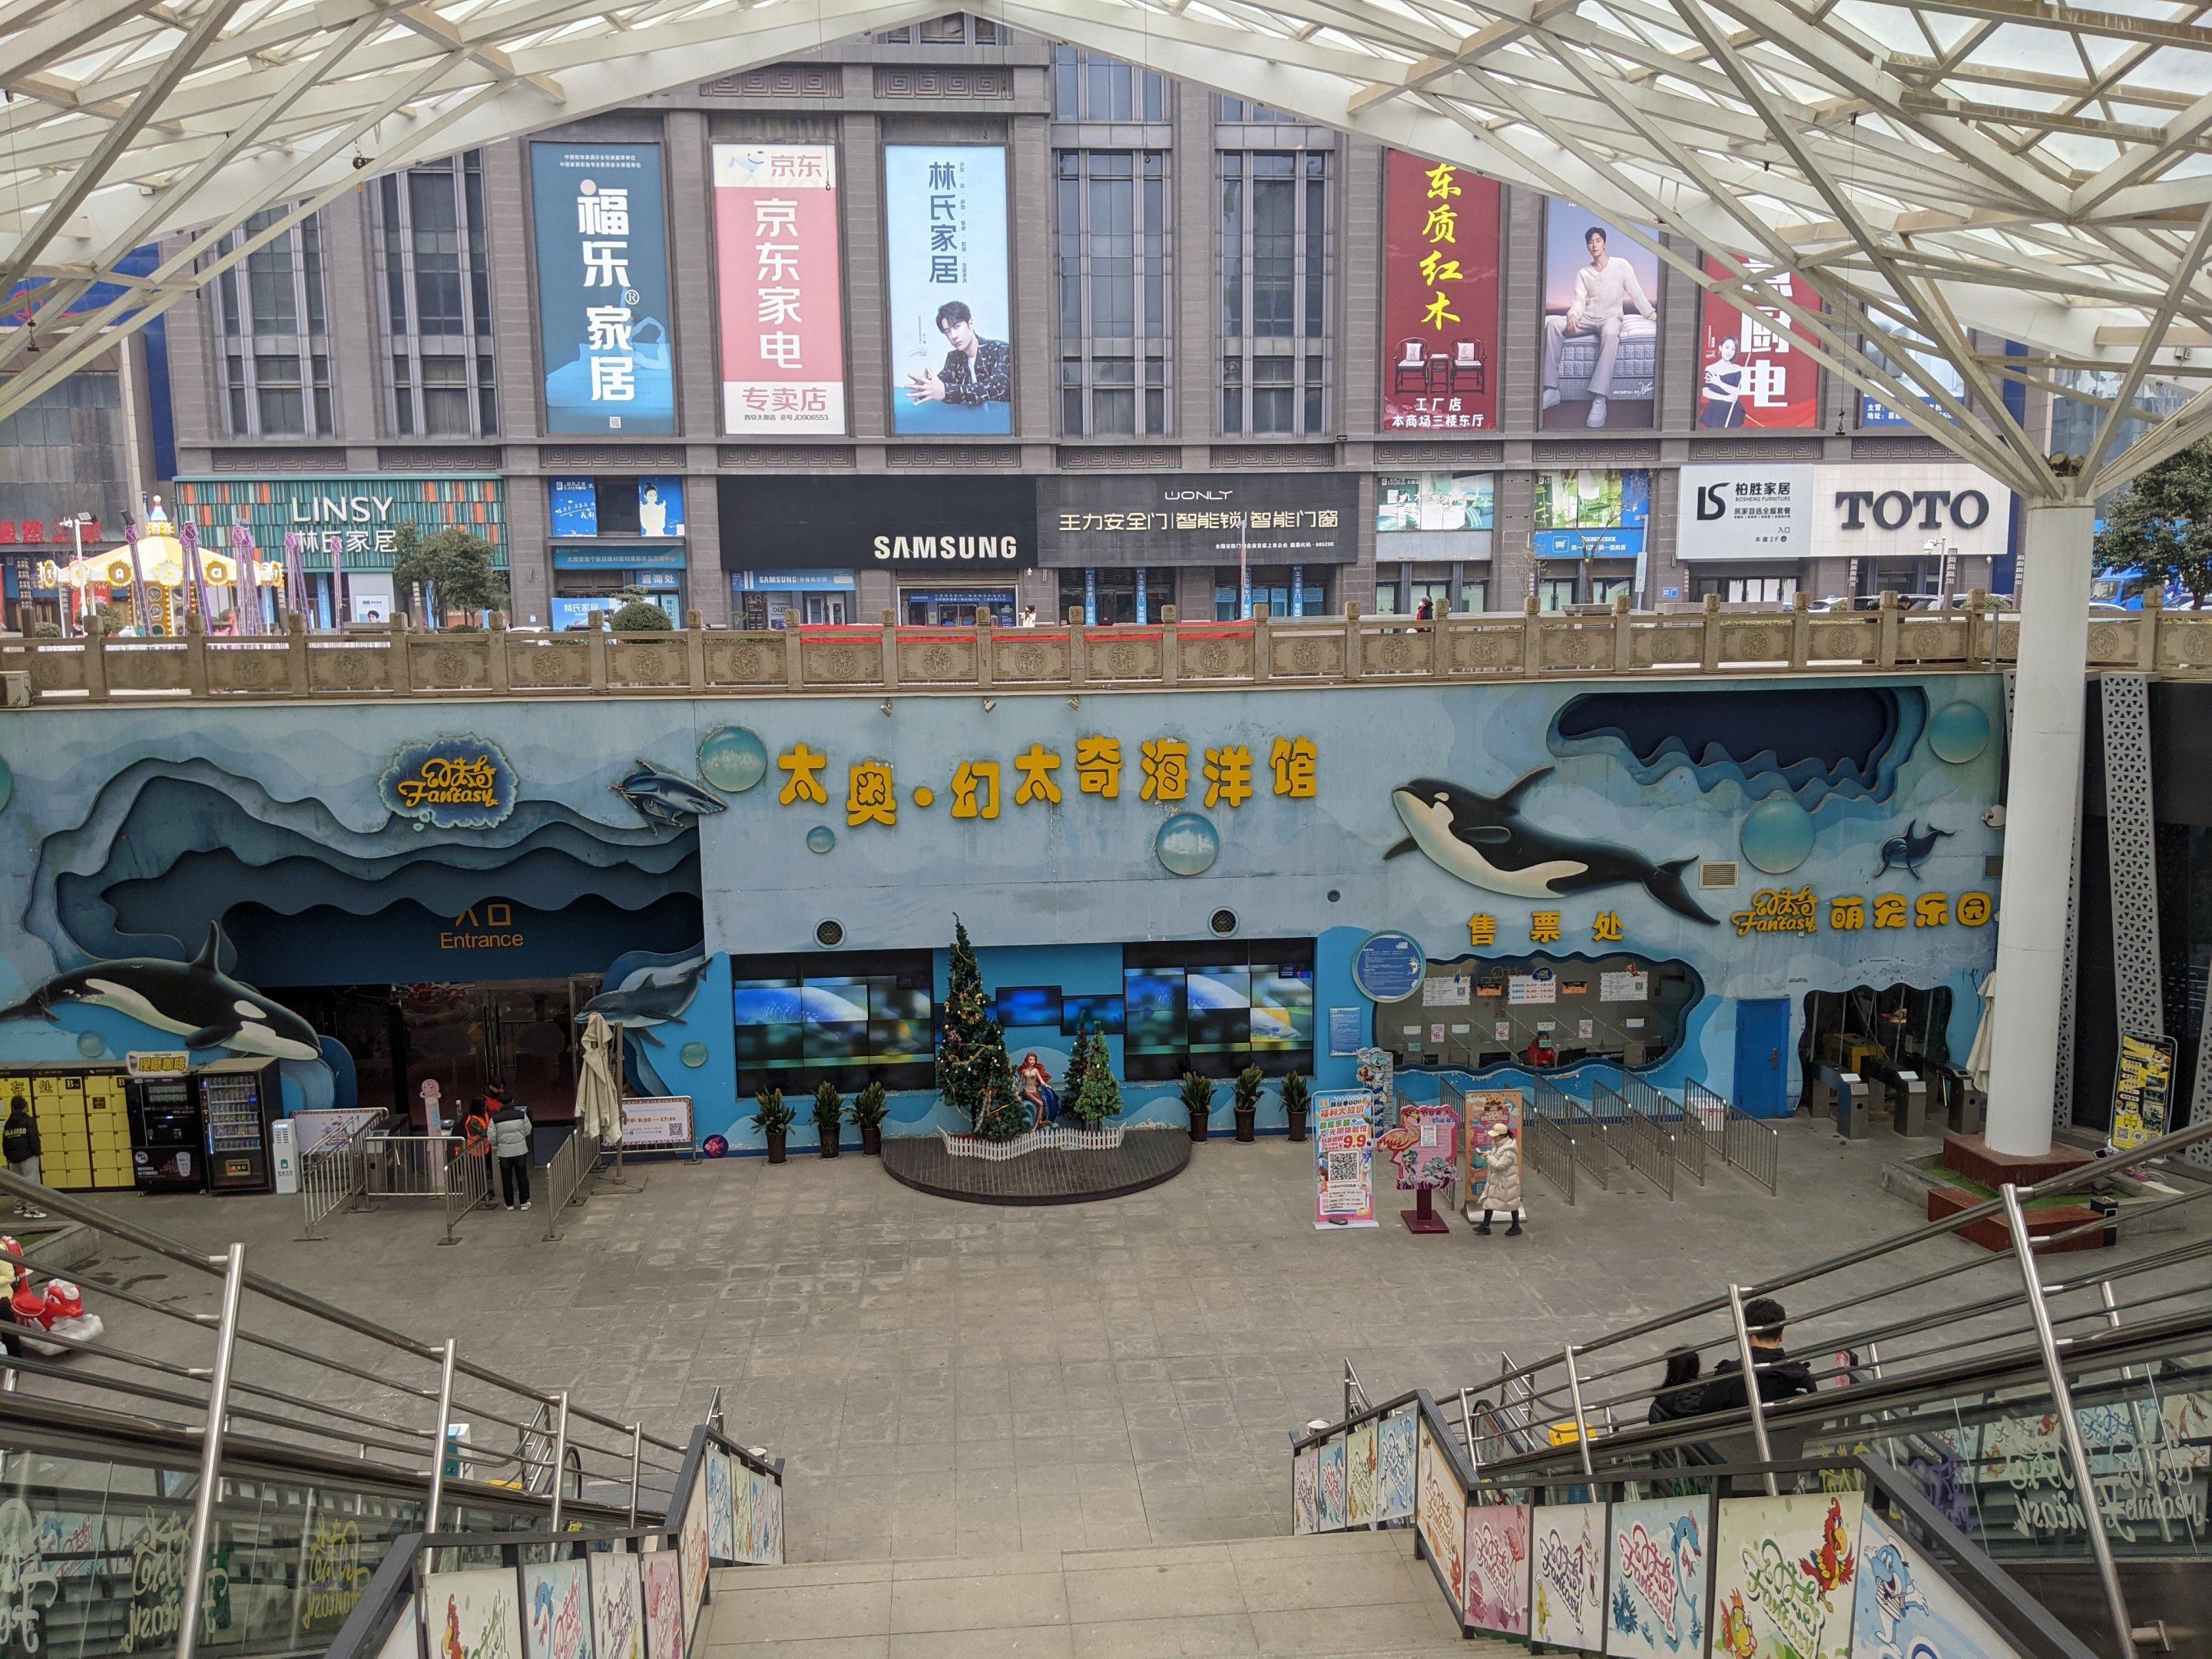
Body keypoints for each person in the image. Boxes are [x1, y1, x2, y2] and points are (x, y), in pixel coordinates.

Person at [1541, 226, 1656, 429]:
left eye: (1598, 240)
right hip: (1587, 318)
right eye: (1590, 242)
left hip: (1610, 318)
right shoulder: (1583, 273)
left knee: (1612, 333)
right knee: (1552, 325)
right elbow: (1578, 300)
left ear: (1605, 243)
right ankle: (1551, 389)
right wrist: (1574, 315)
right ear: (1587, 247)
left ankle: (1599, 400)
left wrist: (1651, 315)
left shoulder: (1621, 266)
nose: (1594, 245)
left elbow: (1636, 293)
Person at [1700, 1296, 1818, 1413]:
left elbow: (1706, 1411)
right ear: (1781, 1334)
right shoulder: (1801, 1375)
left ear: (1746, 1333)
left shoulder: (1729, 1375)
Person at [905, 300, 1012, 411]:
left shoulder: (1001, 350)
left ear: (970, 324)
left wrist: (946, 392)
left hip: (1003, 422)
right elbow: (941, 384)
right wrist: (924, 389)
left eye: (957, 327)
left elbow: (996, 387)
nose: (953, 336)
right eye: (948, 332)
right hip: (970, 424)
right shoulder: (953, 358)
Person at [1473, 1123, 1523, 1237]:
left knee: (1511, 1202)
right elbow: (1496, 1157)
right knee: (1490, 1200)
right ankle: (1485, 1225)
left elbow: (1501, 1165)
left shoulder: (1508, 1151)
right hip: (1498, 1180)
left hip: (1506, 1182)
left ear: (1502, 1136)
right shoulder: (1500, 1145)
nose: (1493, 1137)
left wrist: (1489, 1157)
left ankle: (1516, 1226)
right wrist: (1487, 1154)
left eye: (1495, 1136)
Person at [2, 1098, 45, 1221]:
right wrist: (37, 1152)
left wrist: (8, 1156)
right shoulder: (28, 1120)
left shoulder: (8, 1122)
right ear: (24, 1107)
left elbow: (5, 1141)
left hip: (13, 1158)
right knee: (32, 1182)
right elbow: (33, 1138)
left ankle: (19, 1205)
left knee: (17, 1182)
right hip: (28, 1156)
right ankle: (32, 1209)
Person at [491, 1094, 532, 1210]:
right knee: (522, 1176)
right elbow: (528, 1130)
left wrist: (498, 1144)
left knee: (506, 1178)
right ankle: (524, 1202)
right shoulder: (521, 1115)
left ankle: (509, 1204)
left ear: (500, 1104)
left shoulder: (495, 1118)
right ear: (513, 1101)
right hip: (520, 1150)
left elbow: (492, 1137)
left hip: (504, 1153)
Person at [1700, 335, 1749, 429]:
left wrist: (1719, 382)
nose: (1729, 352)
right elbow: (1705, 392)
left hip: (1733, 409)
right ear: (1720, 348)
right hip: (1716, 410)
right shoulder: (1710, 368)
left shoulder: (1737, 368)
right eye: (1727, 347)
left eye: (1733, 349)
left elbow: (1736, 391)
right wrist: (1725, 398)